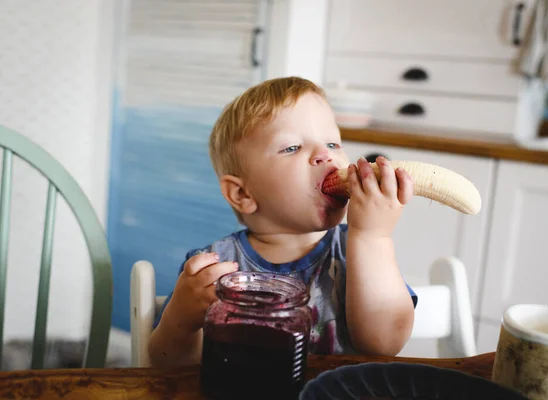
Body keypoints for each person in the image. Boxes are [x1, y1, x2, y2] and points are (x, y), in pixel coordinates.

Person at [148, 76, 418, 367]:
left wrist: (373, 238)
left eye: (332, 142)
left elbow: (384, 345)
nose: (324, 155)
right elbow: (170, 367)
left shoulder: (361, 249)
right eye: (292, 147)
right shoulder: (213, 269)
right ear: (242, 193)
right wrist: (181, 319)